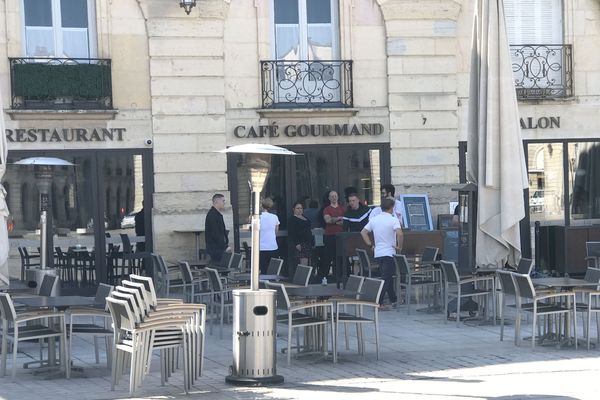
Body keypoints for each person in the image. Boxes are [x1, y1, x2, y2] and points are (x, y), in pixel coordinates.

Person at [361, 198, 404, 310]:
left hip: (378, 253)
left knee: (387, 277)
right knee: (386, 278)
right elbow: (400, 234)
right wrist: (399, 246)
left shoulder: (375, 219)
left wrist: (371, 245)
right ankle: (378, 302)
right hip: (389, 253)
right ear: (392, 208)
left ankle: (393, 299)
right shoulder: (393, 220)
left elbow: (363, 232)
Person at [320, 191, 344, 279]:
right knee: (328, 257)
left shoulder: (342, 209)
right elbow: (328, 220)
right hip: (330, 236)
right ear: (329, 198)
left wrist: (334, 220)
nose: (334, 198)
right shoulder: (327, 209)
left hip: (341, 236)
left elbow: (345, 222)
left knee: (340, 257)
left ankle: (338, 277)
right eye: (332, 196)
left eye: (335, 196)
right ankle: (324, 278)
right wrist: (338, 218)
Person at [205, 193, 230, 264]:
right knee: (220, 268)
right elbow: (215, 233)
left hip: (218, 248)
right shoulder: (212, 215)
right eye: (223, 201)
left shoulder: (216, 214)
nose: (224, 203)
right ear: (216, 202)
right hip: (215, 250)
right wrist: (225, 246)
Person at [288, 201, 313, 266]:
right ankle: (301, 276)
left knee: (308, 263)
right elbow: (292, 232)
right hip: (300, 243)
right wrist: (297, 244)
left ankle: (308, 276)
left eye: (301, 208)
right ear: (294, 209)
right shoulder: (292, 219)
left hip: (308, 243)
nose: (300, 210)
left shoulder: (305, 217)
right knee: (303, 263)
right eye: (298, 208)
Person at [259, 197, 280, 274]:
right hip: (272, 245)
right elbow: (276, 231)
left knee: (263, 269)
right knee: (273, 270)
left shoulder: (257, 217)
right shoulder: (274, 217)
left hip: (261, 247)